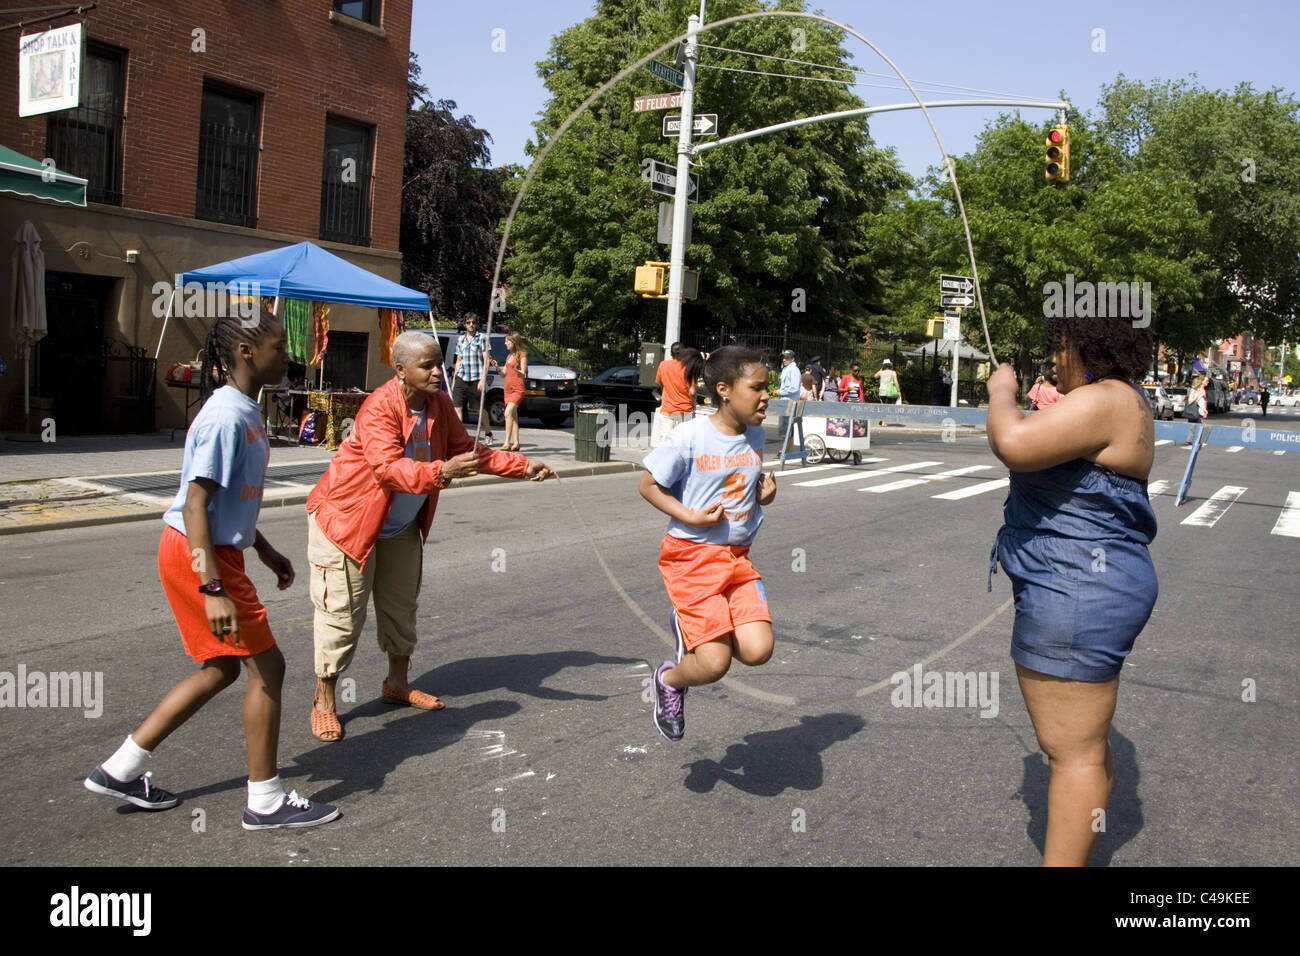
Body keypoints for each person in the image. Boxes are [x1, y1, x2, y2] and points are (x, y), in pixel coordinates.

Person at [84, 310, 339, 830]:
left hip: (205, 551)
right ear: (245, 352)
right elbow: (196, 503)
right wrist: (213, 587)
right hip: (201, 557)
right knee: (268, 669)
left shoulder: (244, 409)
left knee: (222, 667)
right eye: (277, 346)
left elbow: (226, 502)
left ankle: (121, 768)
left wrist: (263, 548)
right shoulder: (227, 416)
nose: (287, 355)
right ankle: (264, 801)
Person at [305, 331, 554, 741]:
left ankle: (397, 684)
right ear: (401, 371)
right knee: (342, 618)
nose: (438, 371)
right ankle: (325, 700)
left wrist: (522, 466)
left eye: (439, 362)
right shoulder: (379, 407)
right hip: (348, 524)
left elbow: (471, 453)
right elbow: (387, 468)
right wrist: (441, 472)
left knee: (401, 607)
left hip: (399, 527)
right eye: (427, 366)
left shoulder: (438, 404)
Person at [985, 309, 1159, 866]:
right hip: (1087, 587)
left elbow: (1011, 442)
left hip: (1077, 591)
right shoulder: (1119, 399)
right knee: (1082, 749)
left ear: (1085, 346)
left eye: (1058, 346)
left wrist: (1001, 391)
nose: (1053, 360)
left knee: (1074, 756)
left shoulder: (1104, 398)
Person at [640, 346, 778, 741]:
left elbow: (742, 487)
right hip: (693, 559)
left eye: (767, 387)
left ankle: (692, 625)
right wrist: (690, 516)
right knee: (714, 664)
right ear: (724, 390)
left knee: (757, 651)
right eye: (756, 387)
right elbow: (647, 485)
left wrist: (764, 496)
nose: (766, 395)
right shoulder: (690, 436)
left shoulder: (755, 435)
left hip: (737, 558)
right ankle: (669, 679)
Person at [451, 313, 494, 444]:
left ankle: (488, 432)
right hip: (462, 376)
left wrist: (482, 379)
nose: (471, 325)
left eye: (473, 323)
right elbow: (458, 360)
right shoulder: (460, 340)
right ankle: (460, 434)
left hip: (476, 377)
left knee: (480, 408)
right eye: (468, 323)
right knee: (457, 407)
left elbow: (486, 360)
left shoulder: (482, 338)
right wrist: (454, 378)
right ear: (464, 324)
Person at [652, 342, 694, 447]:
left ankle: (665, 462)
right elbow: (692, 391)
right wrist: (694, 405)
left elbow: (660, 383)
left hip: (668, 410)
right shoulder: (689, 368)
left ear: (671, 353)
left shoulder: (663, 365)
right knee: (684, 443)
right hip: (685, 410)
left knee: (665, 442)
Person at [501, 332, 526, 451]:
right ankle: (516, 443)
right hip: (508, 389)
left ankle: (507, 442)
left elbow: (524, 372)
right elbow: (503, 373)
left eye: (508, 341)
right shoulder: (509, 356)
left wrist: (518, 370)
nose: (505, 343)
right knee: (514, 416)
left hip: (517, 389)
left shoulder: (521, 355)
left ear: (514, 342)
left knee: (507, 413)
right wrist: (496, 367)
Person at [777, 349, 801, 438]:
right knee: (785, 428)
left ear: (792, 359)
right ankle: (785, 449)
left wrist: (781, 392)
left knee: (788, 429)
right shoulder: (786, 369)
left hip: (790, 402)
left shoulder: (794, 370)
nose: (784, 360)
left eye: (787, 358)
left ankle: (787, 450)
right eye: (783, 357)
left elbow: (794, 388)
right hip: (785, 401)